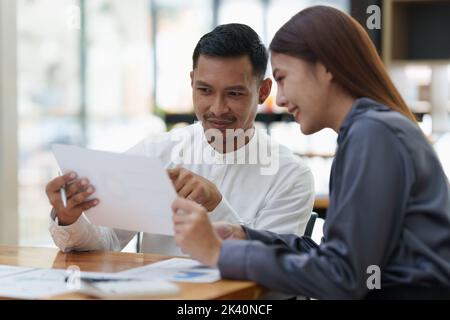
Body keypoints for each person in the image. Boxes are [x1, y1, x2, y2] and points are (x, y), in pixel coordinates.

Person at [171, 6, 450, 299]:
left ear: (324, 68)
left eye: (282, 78)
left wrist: (221, 254)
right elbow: (340, 259)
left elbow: (344, 278)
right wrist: (244, 237)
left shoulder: (372, 134)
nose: (280, 99)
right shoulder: (370, 130)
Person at [46, 23, 314, 255]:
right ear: (192, 82)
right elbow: (108, 241)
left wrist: (216, 206)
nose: (218, 108)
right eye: (205, 90)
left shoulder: (290, 175)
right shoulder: (156, 152)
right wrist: (70, 218)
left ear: (264, 90)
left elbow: (271, 268)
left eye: (234, 94)